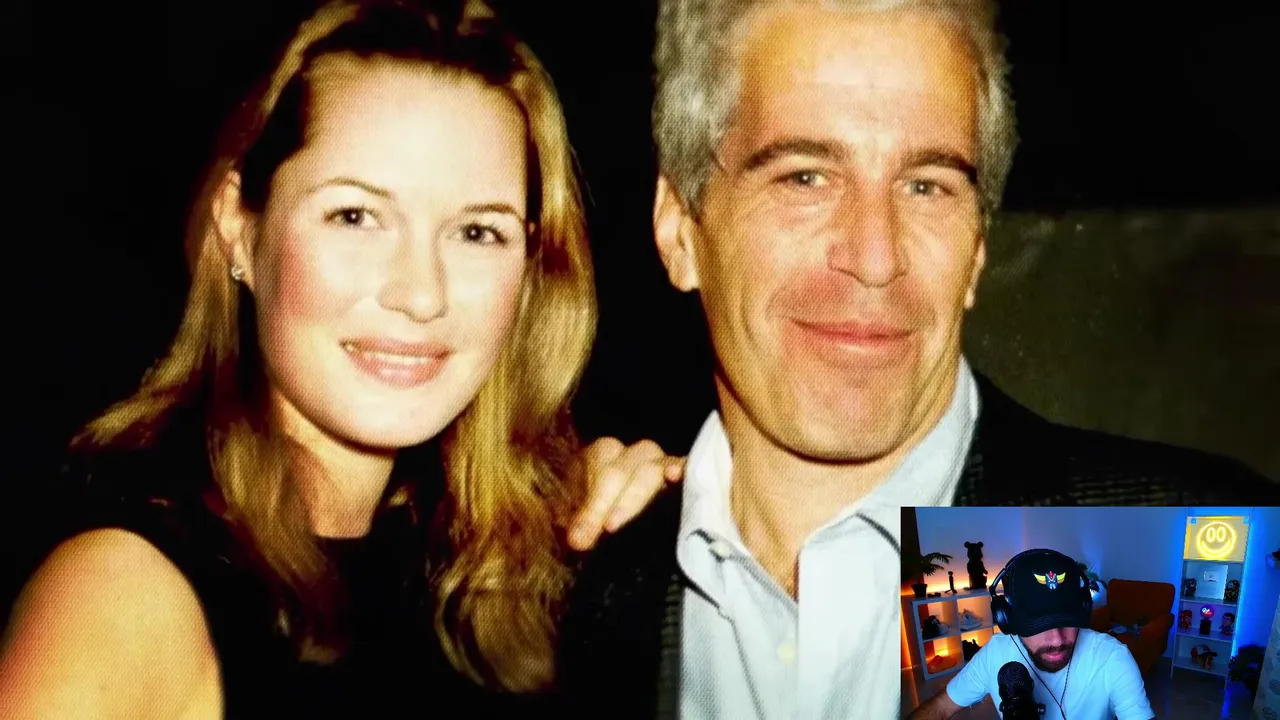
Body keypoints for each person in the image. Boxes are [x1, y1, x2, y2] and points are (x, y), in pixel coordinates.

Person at [557, 0, 1280, 718]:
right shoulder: (555, 594)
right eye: (805, 177)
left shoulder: (1229, 571)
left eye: (926, 185)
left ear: (977, 252)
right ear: (680, 228)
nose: (875, 257)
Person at [0, 1, 677, 717]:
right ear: (239, 227)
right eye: (355, 216)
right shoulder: (123, 597)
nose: (421, 294)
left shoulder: (486, 584)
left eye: (478, 232)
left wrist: (686, 531)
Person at [908, 549, 1155, 720]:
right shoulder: (995, 654)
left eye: (1067, 621)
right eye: (1039, 624)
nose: (1057, 640)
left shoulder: (1112, 657)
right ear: (1007, 619)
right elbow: (941, 707)